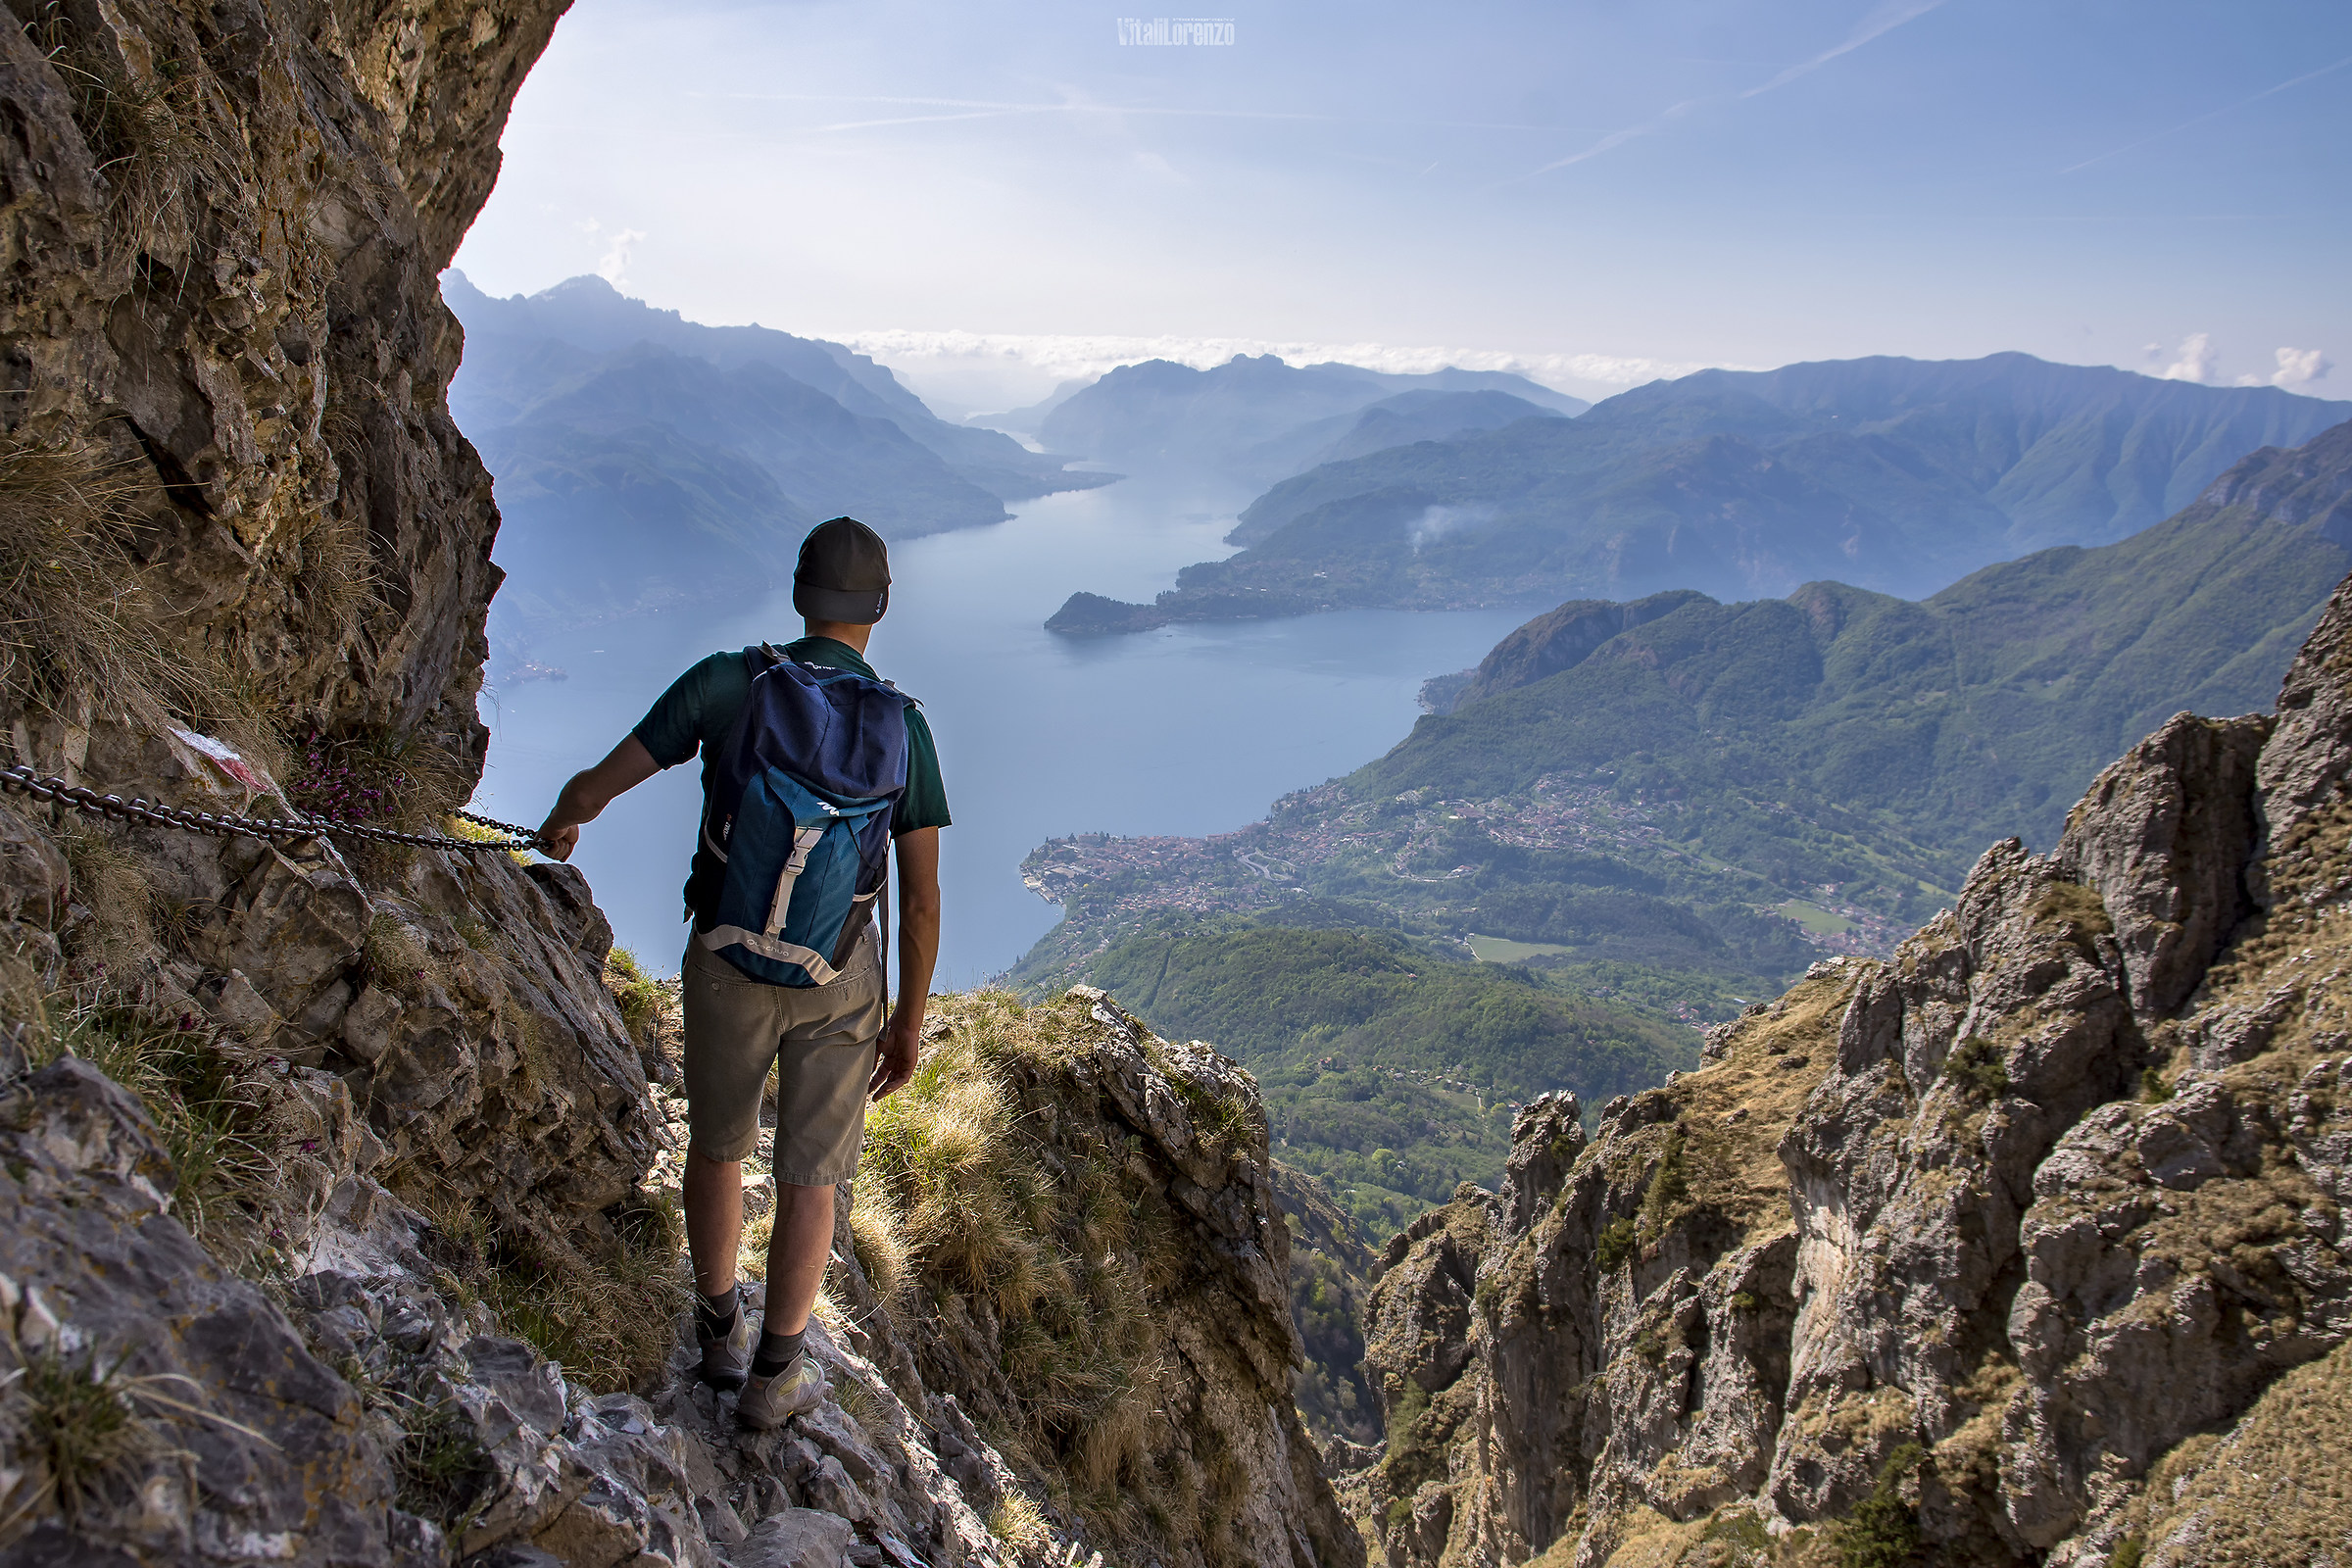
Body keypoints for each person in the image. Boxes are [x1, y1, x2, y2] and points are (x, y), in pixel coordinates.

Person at [536, 516, 947, 1429]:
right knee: (813, 1175)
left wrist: (566, 820)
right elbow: (919, 902)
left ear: (801, 592)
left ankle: (717, 1333)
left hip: (725, 956)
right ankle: (775, 1379)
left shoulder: (731, 682)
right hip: (840, 979)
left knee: (719, 1144)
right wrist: (907, 1021)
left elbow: (605, 779)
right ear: (878, 607)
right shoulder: (903, 728)